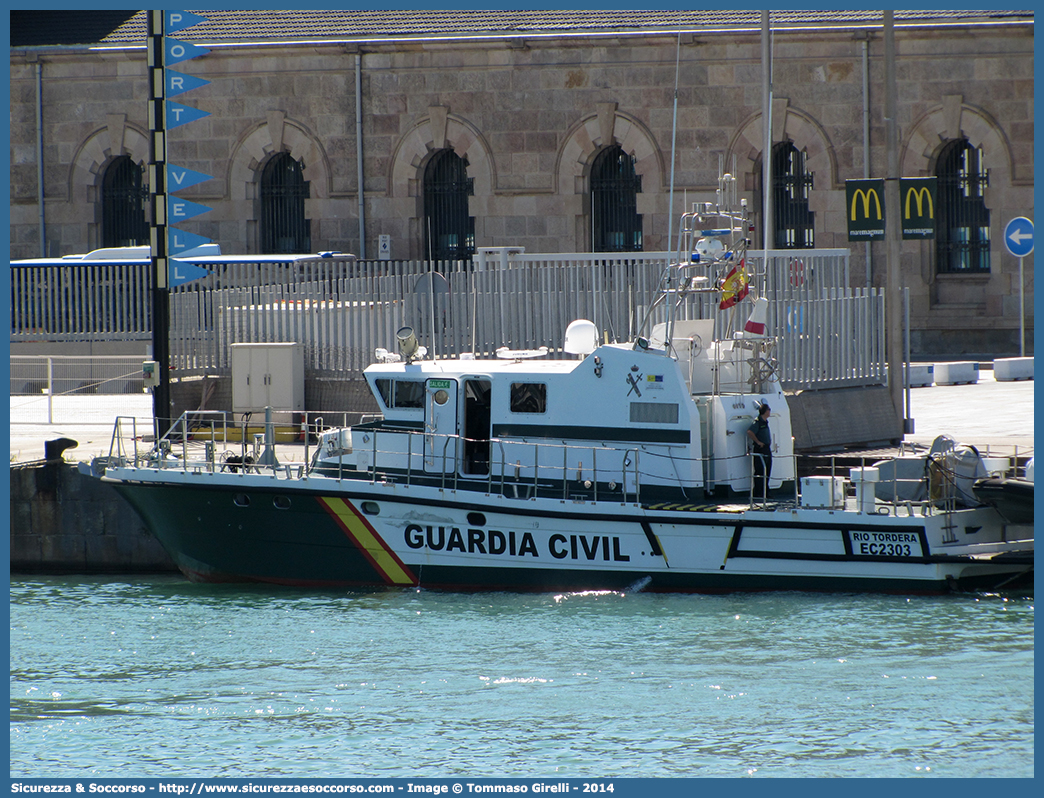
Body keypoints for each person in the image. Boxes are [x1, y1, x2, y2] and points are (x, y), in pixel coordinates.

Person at [746, 402, 772, 498]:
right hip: (760, 449)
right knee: (760, 471)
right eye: (769, 410)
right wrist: (757, 442)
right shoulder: (758, 422)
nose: (770, 411)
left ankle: (765, 491)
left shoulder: (765, 422)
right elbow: (750, 431)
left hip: (767, 449)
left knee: (767, 470)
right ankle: (758, 492)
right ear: (765, 411)